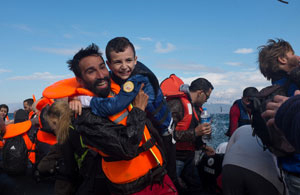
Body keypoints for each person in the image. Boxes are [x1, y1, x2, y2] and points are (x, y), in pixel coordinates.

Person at [44, 43, 177, 194]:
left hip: (158, 174)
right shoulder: (86, 118)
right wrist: (139, 110)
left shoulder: (115, 87)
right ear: (80, 80)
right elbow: (127, 148)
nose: (101, 75)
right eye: (91, 71)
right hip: (134, 187)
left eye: (102, 67)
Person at [75, 37, 177, 184]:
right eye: (118, 62)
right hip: (156, 126)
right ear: (109, 65)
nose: (124, 66)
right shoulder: (120, 76)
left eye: (128, 61)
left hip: (164, 130)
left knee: (170, 173)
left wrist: (86, 101)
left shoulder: (136, 80)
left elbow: (114, 106)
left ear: (135, 60)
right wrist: (74, 97)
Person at [165, 76, 215, 193]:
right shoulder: (177, 104)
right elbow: (166, 135)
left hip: (189, 157)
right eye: (207, 97)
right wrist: (195, 132)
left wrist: (203, 147)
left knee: (196, 188)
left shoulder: (196, 109)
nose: (206, 100)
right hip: (175, 158)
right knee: (171, 189)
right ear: (200, 93)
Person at [222, 125, 283, 195]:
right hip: (263, 174)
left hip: (231, 166)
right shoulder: (272, 132)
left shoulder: (241, 129)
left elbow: (227, 153)